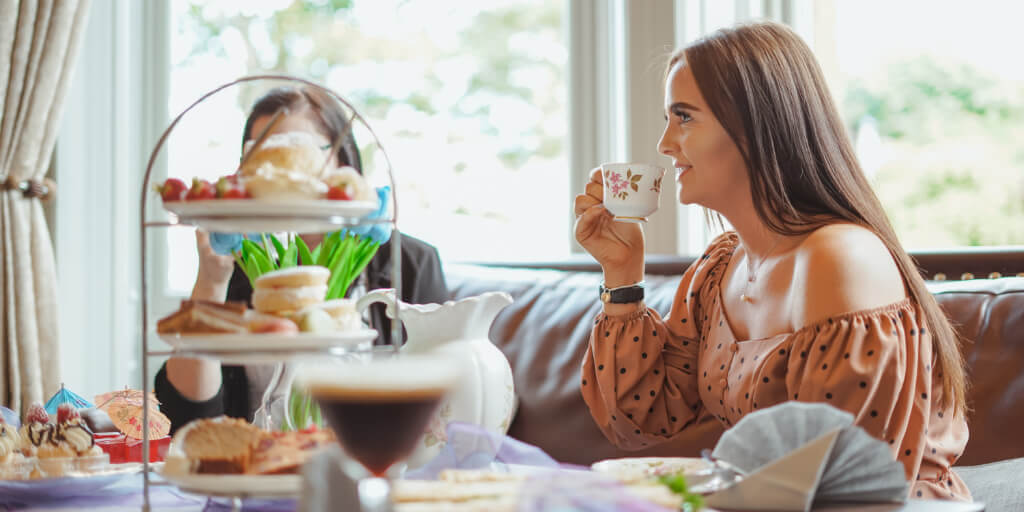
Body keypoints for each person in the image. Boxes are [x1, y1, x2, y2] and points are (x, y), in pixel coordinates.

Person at [574, 22, 969, 501]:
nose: (664, 144)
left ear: (756, 125)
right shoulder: (721, 266)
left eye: (684, 117)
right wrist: (622, 273)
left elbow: (847, 492)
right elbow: (638, 422)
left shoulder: (836, 259)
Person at [156, 86, 449, 432]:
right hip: (261, 468)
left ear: (342, 160)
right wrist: (211, 281)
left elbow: (444, 396)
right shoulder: (238, 261)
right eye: (260, 156)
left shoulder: (410, 264)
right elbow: (186, 418)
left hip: (373, 457)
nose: (277, 171)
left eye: (293, 150)